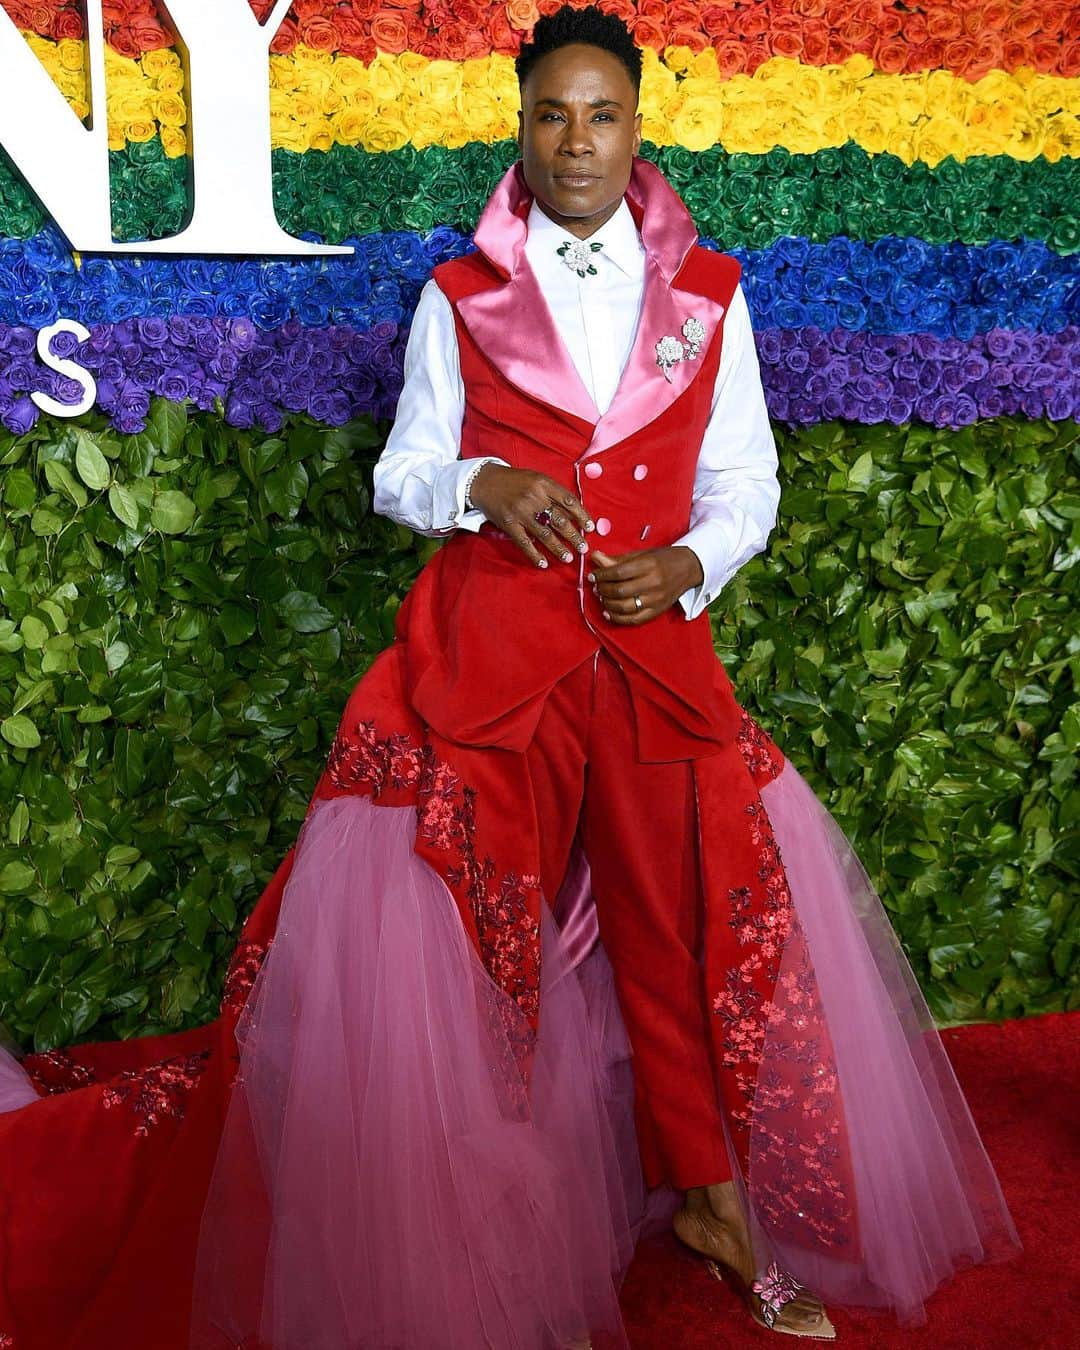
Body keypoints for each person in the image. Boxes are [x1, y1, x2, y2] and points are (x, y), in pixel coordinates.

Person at [0, 7, 1020, 1349]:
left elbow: (749, 484)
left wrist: (693, 563)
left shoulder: (712, 294)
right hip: (492, 668)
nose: (576, 141)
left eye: (601, 116)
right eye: (552, 115)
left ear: (637, 127)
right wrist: (483, 481)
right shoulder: (460, 297)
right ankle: (478, 1238)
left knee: (681, 939)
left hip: (653, 660)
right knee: (479, 962)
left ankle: (719, 1206)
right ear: (520, 124)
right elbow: (403, 474)